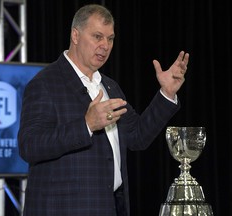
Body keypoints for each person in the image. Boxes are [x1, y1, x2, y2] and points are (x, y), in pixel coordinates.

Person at [18, 4, 189, 216]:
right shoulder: (45, 83)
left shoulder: (109, 86)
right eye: (97, 36)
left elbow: (136, 137)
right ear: (75, 35)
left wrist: (166, 94)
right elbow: (30, 146)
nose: (105, 46)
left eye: (110, 39)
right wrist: (86, 125)